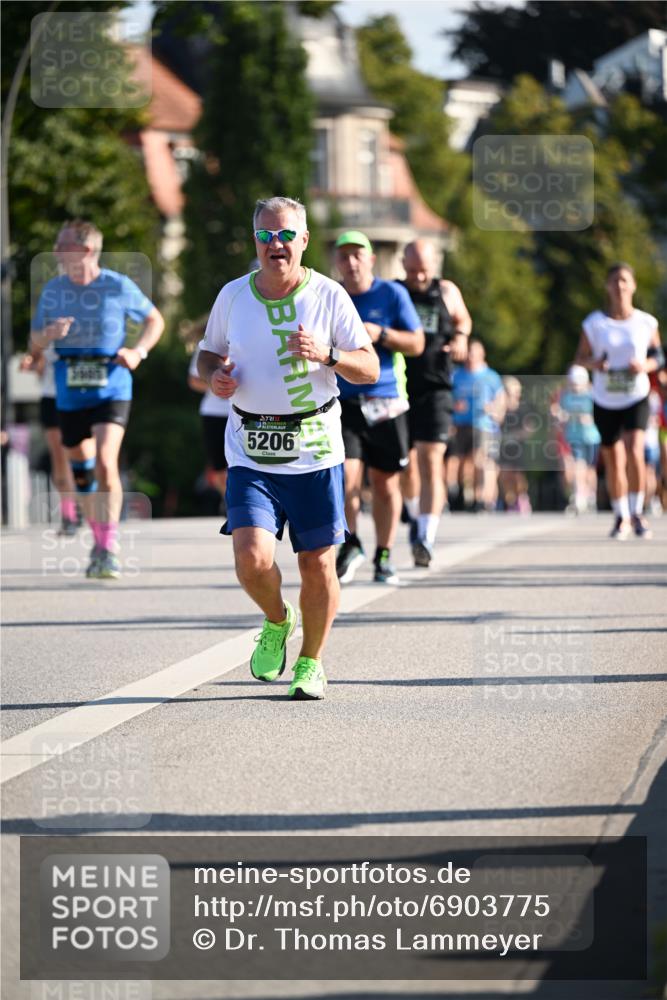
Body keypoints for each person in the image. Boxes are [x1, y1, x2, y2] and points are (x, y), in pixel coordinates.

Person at [197, 197, 378, 701]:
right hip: (250, 446)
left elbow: (370, 367)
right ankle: (277, 619)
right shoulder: (233, 295)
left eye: (285, 235)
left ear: (303, 241)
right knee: (251, 558)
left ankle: (311, 662)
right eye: (265, 235)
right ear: (254, 240)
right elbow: (207, 352)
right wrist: (212, 375)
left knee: (317, 564)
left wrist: (329, 355)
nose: (275, 244)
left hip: (315, 447)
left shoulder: (329, 296)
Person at [30, 219, 164, 577]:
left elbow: (155, 321)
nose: (56, 251)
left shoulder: (117, 286)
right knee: (83, 473)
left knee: (106, 462)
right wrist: (49, 334)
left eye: (63, 245)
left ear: (86, 250)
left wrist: (138, 352)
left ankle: (108, 547)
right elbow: (35, 343)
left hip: (113, 384)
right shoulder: (53, 290)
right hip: (69, 389)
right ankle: (99, 538)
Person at [333, 231, 424, 584]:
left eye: (358, 255)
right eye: (344, 257)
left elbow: (417, 343)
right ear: (337, 263)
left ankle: (384, 554)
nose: (351, 262)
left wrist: (381, 334)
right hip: (343, 402)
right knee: (344, 476)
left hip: (386, 400)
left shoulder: (391, 294)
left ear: (371, 259)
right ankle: (351, 541)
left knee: (386, 485)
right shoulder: (331, 296)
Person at [574, 262, 663, 539]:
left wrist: (645, 366)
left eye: (625, 280)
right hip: (605, 398)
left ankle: (638, 513)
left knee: (636, 450)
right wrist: (595, 364)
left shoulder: (646, 322)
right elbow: (580, 358)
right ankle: (620, 515)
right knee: (613, 458)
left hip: (636, 395)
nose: (620, 286)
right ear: (608, 287)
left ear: (633, 286)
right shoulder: (594, 323)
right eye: (614, 281)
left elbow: (659, 356)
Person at [397, 239, 471, 565]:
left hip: (437, 387)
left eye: (424, 269)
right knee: (406, 465)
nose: (419, 276)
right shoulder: (395, 291)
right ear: (403, 264)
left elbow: (463, 321)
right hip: (399, 387)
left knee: (431, 460)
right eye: (412, 270)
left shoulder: (447, 290)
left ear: (434, 266)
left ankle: (426, 537)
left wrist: (460, 338)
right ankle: (414, 515)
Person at [19, 342, 79, 534]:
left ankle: (85, 506)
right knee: (59, 458)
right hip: (51, 398)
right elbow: (36, 366)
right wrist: (30, 363)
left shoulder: (83, 327)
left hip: (79, 396)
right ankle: (69, 514)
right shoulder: (42, 335)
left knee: (81, 456)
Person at [449, 339, 505, 512]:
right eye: (469, 352)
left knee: (480, 460)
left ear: (482, 354)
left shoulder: (491, 376)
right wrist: (454, 406)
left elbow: (501, 399)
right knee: (460, 462)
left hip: (483, 424)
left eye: (474, 352)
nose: (470, 356)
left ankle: (481, 499)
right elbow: (447, 397)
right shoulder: (456, 375)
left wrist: (495, 411)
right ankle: (460, 495)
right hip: (460, 424)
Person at [554, 365, 601, 514]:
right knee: (577, 466)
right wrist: (559, 416)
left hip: (592, 437)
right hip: (574, 437)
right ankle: (578, 496)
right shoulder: (566, 396)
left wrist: (591, 418)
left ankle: (591, 496)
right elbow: (560, 413)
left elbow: (602, 414)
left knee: (590, 469)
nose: (575, 387)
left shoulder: (592, 395)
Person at [497, 376, 532, 513]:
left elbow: (529, 427)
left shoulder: (523, 408)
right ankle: (510, 502)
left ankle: (522, 498)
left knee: (517, 475)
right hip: (504, 446)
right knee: (505, 475)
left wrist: (517, 435)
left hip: (518, 447)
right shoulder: (501, 408)